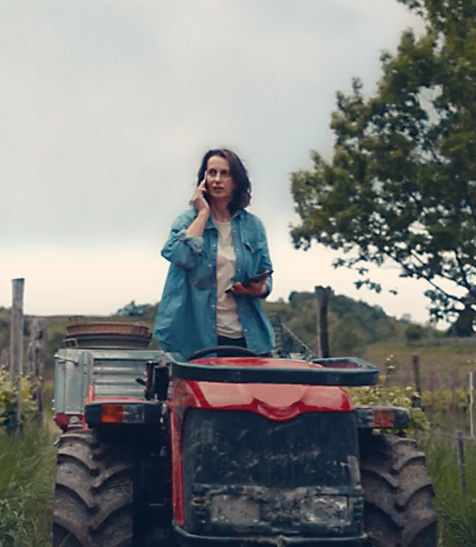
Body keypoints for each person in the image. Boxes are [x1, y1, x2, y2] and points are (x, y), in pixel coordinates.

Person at [153, 148, 275, 358]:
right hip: (195, 338)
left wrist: (258, 288)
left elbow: (266, 273)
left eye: (225, 173)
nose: (217, 180)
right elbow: (180, 256)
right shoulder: (186, 221)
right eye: (212, 173)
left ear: (236, 181)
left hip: (247, 337)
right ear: (203, 180)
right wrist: (202, 214)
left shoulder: (253, 226)